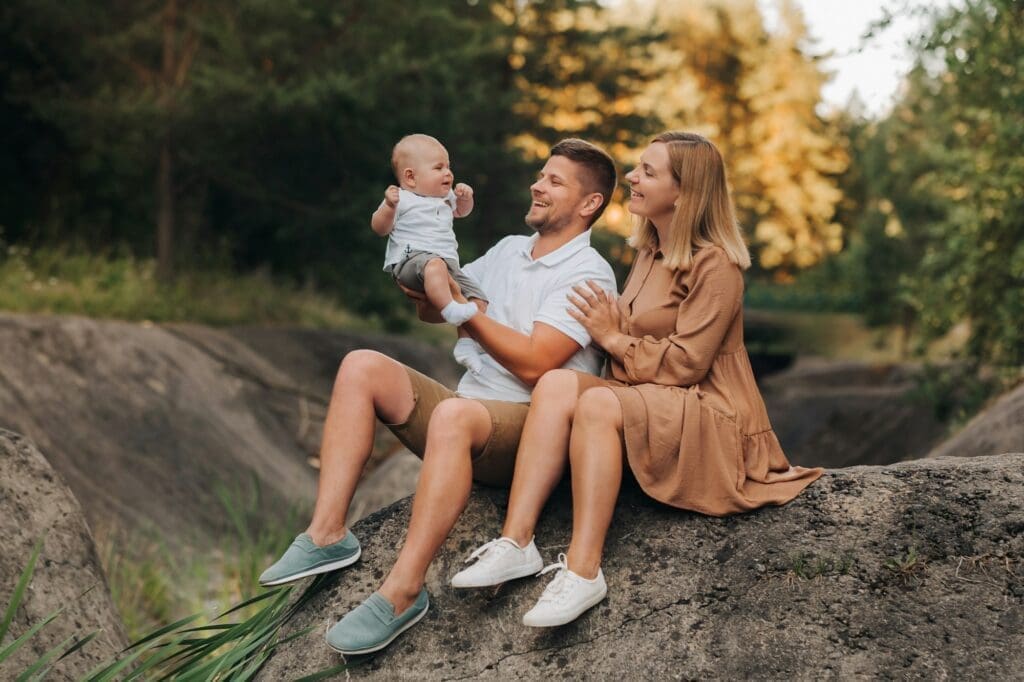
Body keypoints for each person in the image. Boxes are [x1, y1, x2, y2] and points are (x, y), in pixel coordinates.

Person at [258, 139, 619, 654]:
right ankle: (326, 534)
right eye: (541, 175)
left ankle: (403, 592)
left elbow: (538, 361)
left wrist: (464, 313)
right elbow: (444, 308)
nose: (538, 185)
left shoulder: (588, 273)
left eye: (555, 181)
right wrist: (426, 291)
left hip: (530, 426)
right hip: (470, 410)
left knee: (454, 413)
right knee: (362, 366)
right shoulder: (508, 250)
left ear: (590, 204)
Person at [451, 131, 824, 628]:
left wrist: (611, 337)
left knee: (599, 405)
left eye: (648, 171)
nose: (632, 177)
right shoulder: (650, 252)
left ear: (684, 192)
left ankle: (584, 572)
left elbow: (688, 364)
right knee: (558, 383)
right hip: (654, 396)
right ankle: (517, 542)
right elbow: (635, 344)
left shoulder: (718, 264)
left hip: (709, 409)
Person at [371, 133, 488, 374]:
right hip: (411, 260)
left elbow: (462, 213)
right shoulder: (401, 198)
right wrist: (389, 206)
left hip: (446, 265)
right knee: (435, 265)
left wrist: (466, 199)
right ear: (411, 177)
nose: (448, 173)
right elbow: (379, 228)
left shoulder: (446, 198)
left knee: (479, 300)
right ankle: (449, 309)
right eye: (438, 167)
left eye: (448, 166)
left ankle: (466, 345)